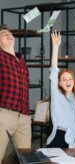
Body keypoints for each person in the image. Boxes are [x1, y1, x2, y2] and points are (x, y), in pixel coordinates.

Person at [0, 24, 31, 163]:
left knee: (25, 158)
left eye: (10, 33)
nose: (9, 35)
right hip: (4, 113)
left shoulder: (22, 62)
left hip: (24, 116)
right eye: (4, 34)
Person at [46, 31, 75, 148]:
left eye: (70, 79)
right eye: (64, 79)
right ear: (59, 83)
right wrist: (55, 47)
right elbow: (54, 70)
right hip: (58, 138)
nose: (67, 82)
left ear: (74, 81)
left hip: (71, 141)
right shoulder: (56, 94)